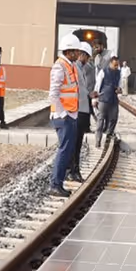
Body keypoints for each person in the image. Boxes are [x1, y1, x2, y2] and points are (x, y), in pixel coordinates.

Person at [48, 36, 81, 197]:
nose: (78, 54)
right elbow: (53, 94)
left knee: (67, 150)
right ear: (69, 51)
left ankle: (58, 183)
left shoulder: (70, 65)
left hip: (70, 114)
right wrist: (63, 114)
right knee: (64, 150)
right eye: (76, 51)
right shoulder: (60, 67)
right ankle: (55, 184)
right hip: (63, 116)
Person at [69, 42, 96, 182]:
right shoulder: (76, 68)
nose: (89, 60)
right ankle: (73, 170)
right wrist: (89, 94)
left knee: (77, 142)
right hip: (78, 110)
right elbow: (79, 88)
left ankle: (73, 170)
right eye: (88, 56)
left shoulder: (82, 69)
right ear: (82, 55)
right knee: (76, 142)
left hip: (83, 110)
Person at [95, 55, 121, 146]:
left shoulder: (119, 73)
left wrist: (119, 89)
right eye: (115, 65)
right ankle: (98, 140)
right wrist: (96, 98)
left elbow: (120, 85)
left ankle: (108, 137)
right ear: (110, 63)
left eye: (117, 65)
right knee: (101, 120)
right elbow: (98, 85)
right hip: (103, 99)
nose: (116, 67)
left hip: (114, 99)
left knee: (113, 118)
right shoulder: (103, 72)